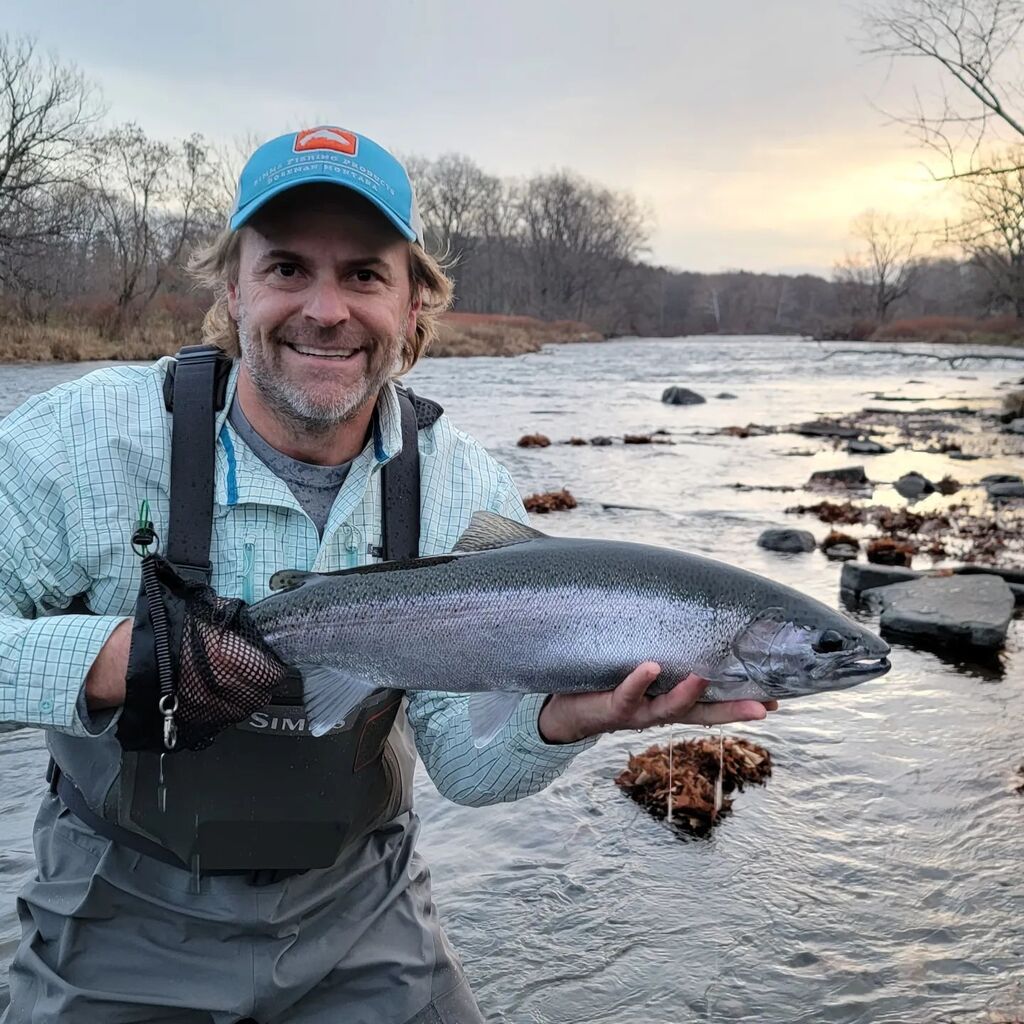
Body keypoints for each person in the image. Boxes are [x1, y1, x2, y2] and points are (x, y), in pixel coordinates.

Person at [0, 126, 776, 1023]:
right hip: (118, 916)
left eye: (365, 274)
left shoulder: (461, 488)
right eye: (287, 268)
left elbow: (467, 767)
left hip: (362, 917)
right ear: (232, 289)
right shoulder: (78, 444)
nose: (326, 309)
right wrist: (117, 661)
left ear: (414, 306)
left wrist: (569, 720)